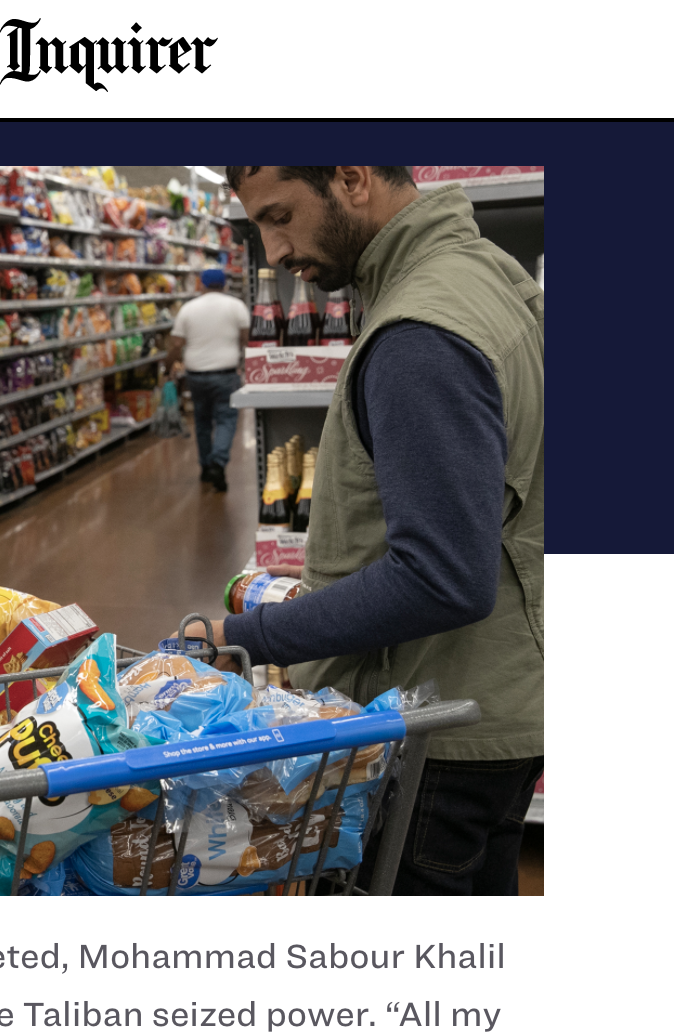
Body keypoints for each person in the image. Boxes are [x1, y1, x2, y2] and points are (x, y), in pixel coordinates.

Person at [195, 166, 543, 895]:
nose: (274, 247)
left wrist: (250, 635)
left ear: (351, 178)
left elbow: (441, 576)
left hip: (432, 723)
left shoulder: (420, 333)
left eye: (282, 214)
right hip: (493, 691)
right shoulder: (486, 275)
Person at [166, 267, 250, 491]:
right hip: (226, 373)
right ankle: (218, 462)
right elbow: (246, 338)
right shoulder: (236, 306)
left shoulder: (189, 309)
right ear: (224, 285)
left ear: (201, 284)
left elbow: (176, 344)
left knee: (202, 422)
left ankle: (205, 466)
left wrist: (168, 368)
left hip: (196, 375)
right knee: (226, 419)